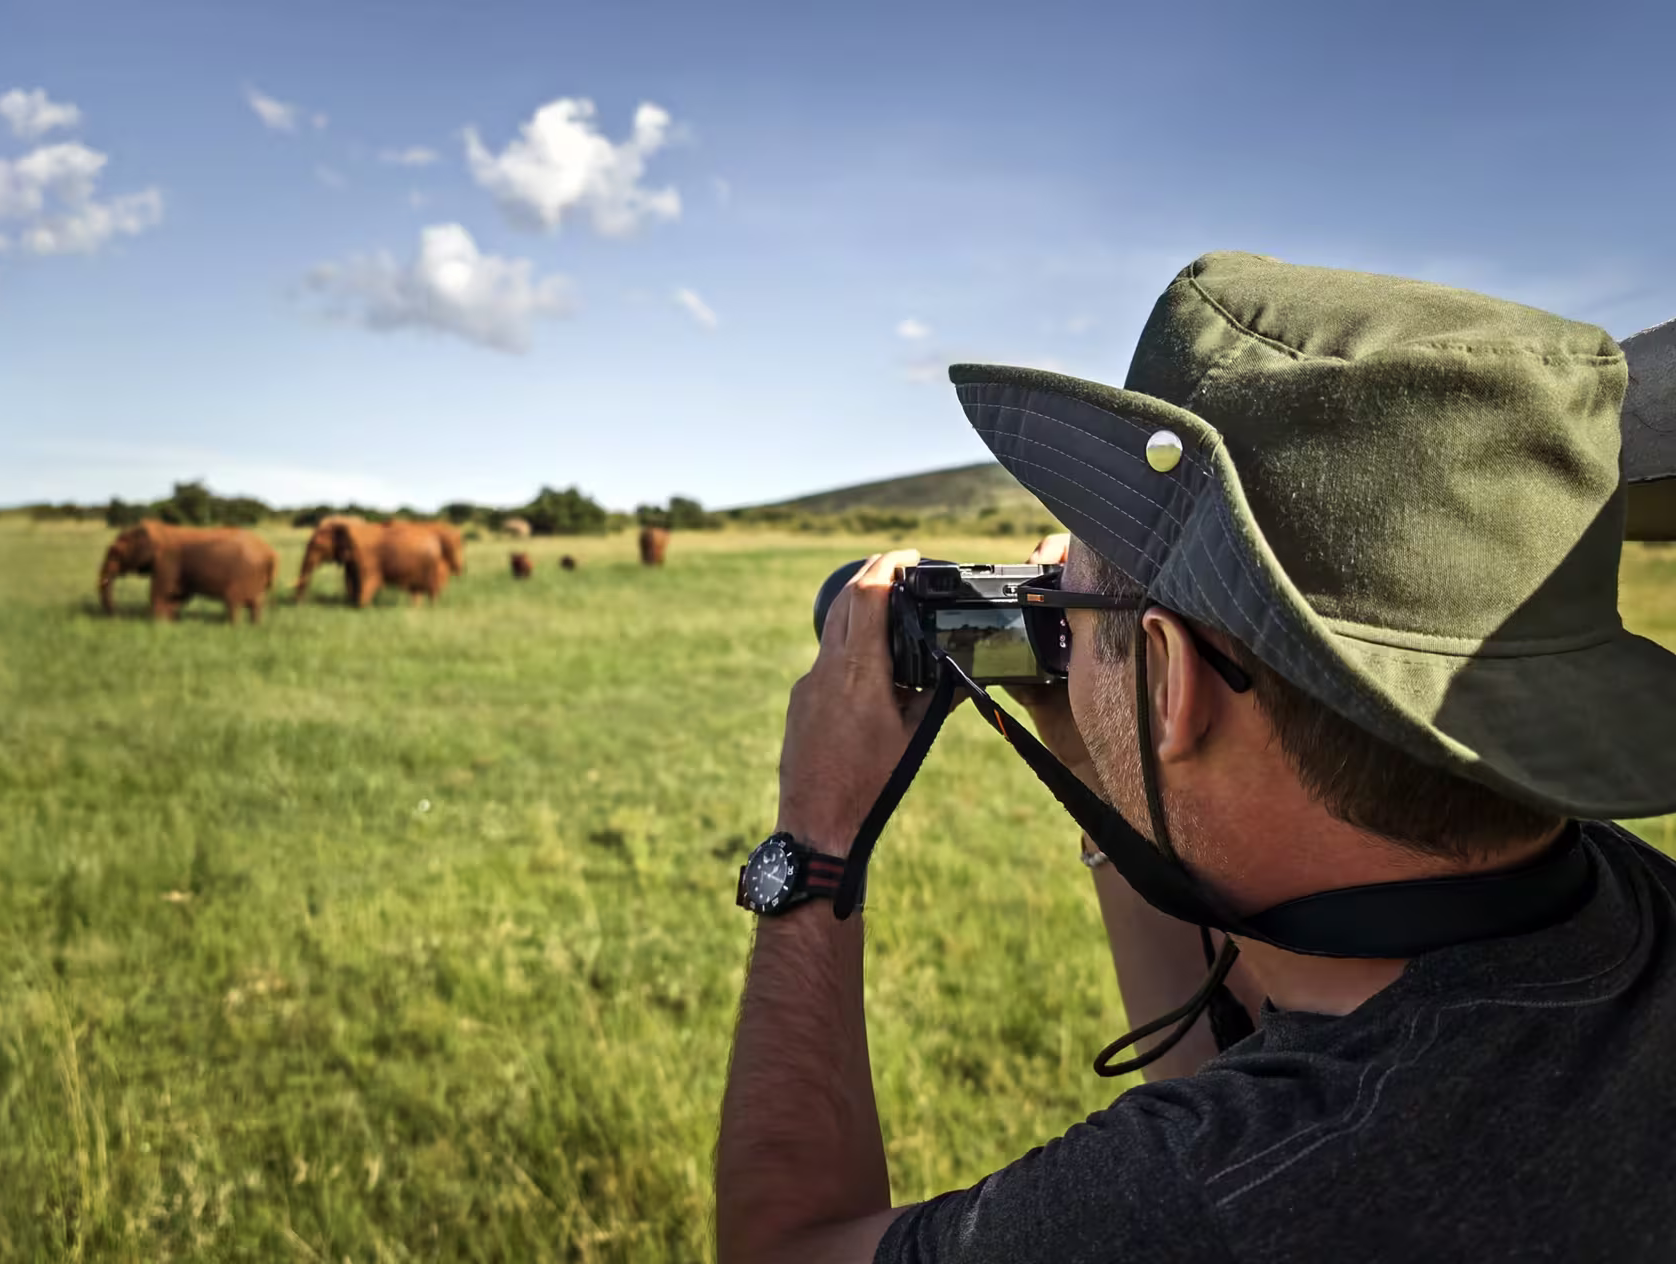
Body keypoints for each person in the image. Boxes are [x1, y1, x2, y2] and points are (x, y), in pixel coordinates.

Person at [715, 252, 1676, 1262]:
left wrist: (813, 838)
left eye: (1075, 595)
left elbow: (780, 1246)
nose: (1056, 618)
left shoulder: (1213, 1197)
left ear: (1170, 678)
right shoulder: (1627, 904)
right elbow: (1225, 1084)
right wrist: (1103, 757)